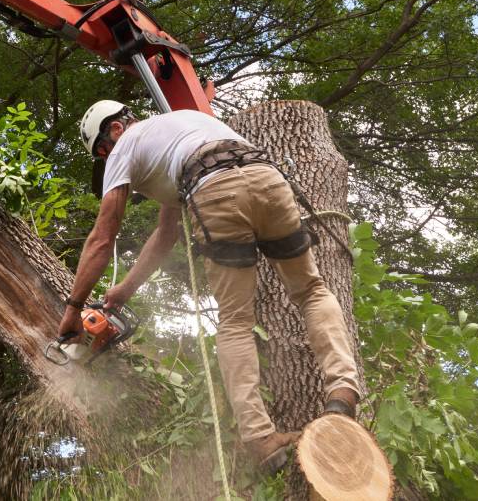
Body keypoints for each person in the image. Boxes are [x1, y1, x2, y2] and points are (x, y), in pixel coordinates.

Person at [58, 100, 362, 473]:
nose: (107, 161)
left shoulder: (126, 145)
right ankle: (344, 390)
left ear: (115, 130)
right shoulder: (182, 127)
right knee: (311, 290)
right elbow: (165, 235)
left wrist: (72, 309)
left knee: (235, 319)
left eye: (102, 153)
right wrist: (124, 290)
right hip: (268, 178)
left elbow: (103, 237)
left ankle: (260, 438)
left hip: (214, 190)